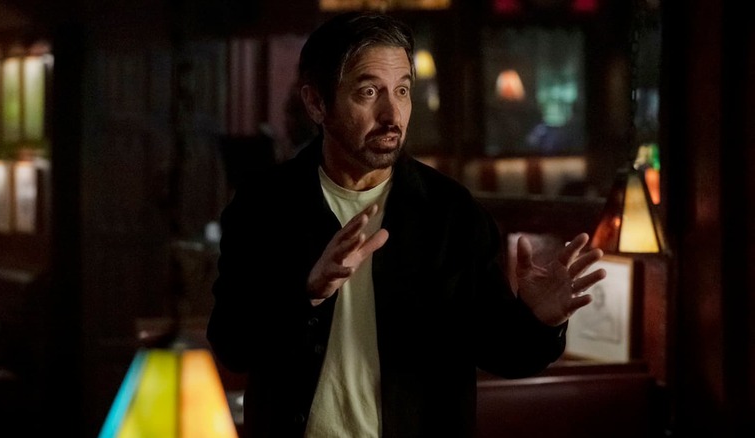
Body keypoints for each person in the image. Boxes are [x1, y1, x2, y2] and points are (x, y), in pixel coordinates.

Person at [207, 11, 606, 438]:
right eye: (368, 92)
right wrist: (307, 293)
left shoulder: (449, 212)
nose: (391, 114)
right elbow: (232, 346)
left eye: (402, 90)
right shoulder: (265, 204)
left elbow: (505, 355)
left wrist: (540, 321)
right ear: (317, 103)